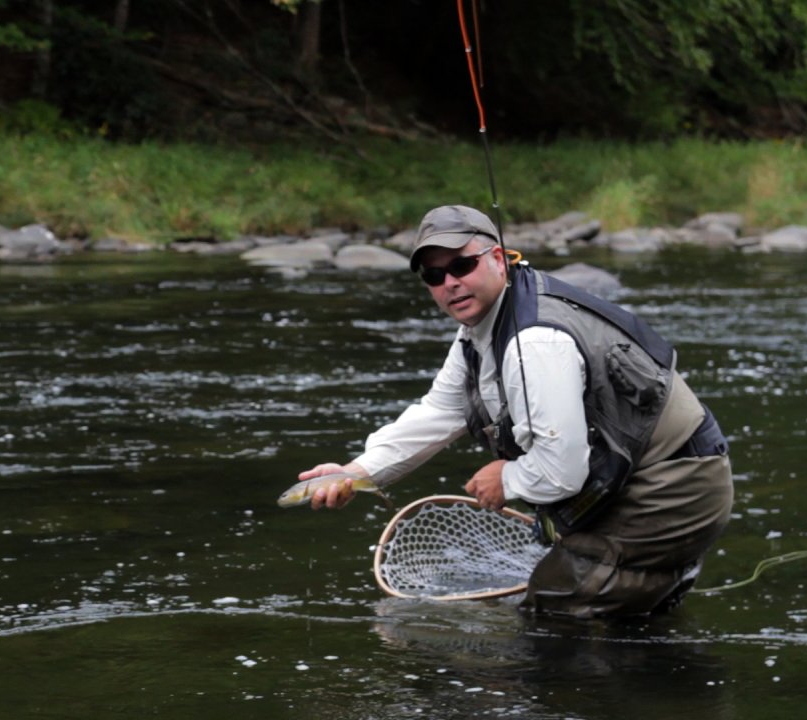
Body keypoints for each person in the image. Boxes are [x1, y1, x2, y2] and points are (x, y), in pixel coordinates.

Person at [300, 204, 733, 618]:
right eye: (434, 274)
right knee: (579, 602)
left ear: (499, 259)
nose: (450, 282)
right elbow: (440, 412)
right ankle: (648, 590)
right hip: (636, 477)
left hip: (675, 486)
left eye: (462, 265)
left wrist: (504, 478)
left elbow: (562, 471)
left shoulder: (536, 342)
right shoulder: (480, 328)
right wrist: (357, 471)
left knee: (554, 611)